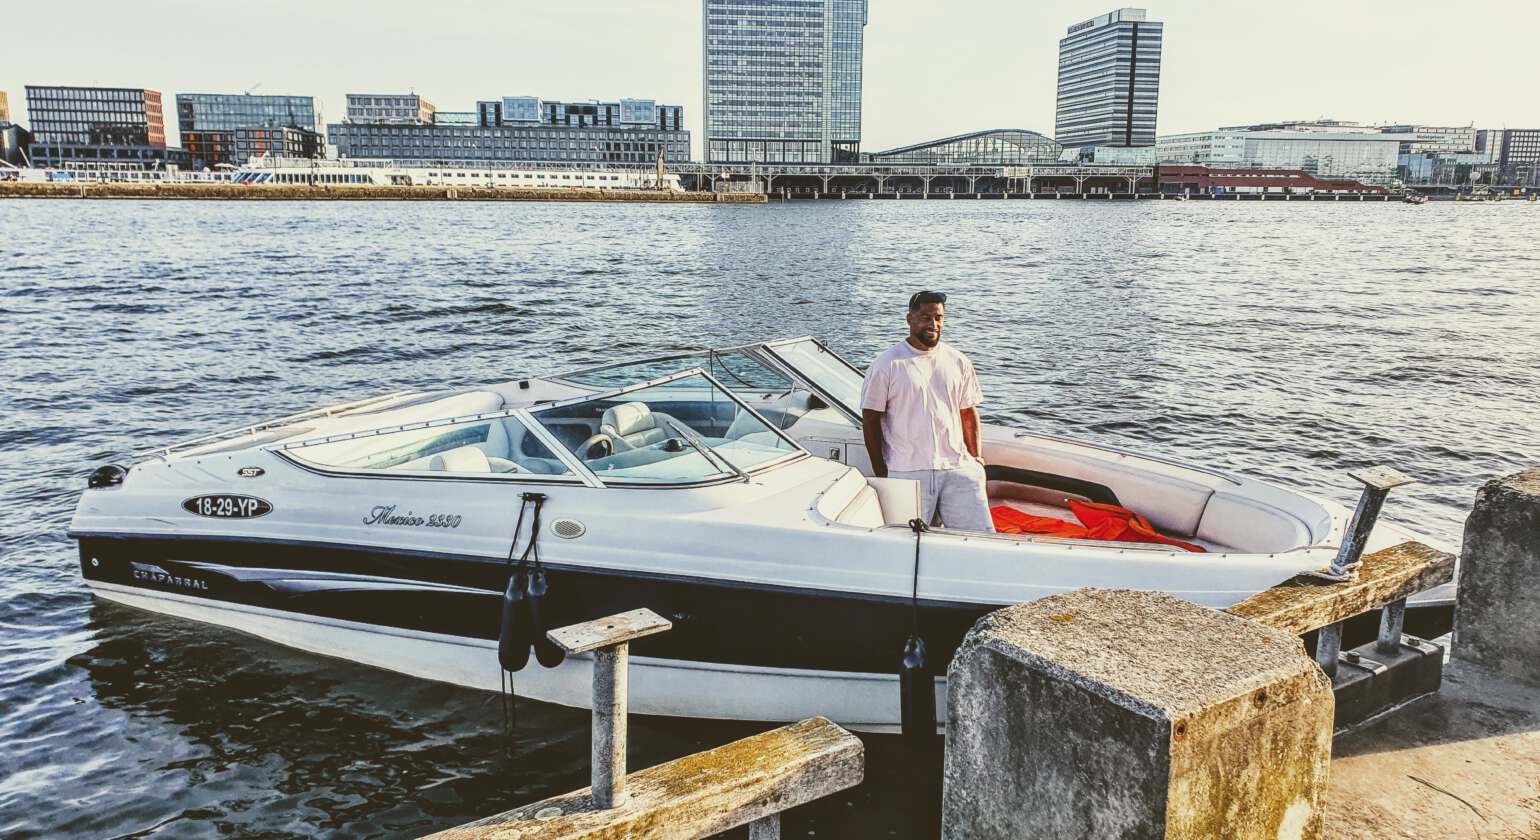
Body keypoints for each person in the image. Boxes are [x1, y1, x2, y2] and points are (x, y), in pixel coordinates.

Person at [860, 291, 994, 533]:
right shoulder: (887, 364)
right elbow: (870, 419)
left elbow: (968, 412)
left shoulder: (958, 361)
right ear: (909, 319)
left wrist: (976, 458)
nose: (933, 324)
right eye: (924, 317)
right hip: (908, 471)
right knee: (907, 542)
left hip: (958, 467)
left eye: (938, 318)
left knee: (981, 539)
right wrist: (882, 472)